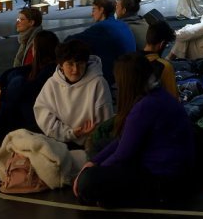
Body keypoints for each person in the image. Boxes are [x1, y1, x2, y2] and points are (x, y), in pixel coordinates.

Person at [74, 53, 194, 208]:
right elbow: (123, 139)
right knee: (100, 147)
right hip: (173, 170)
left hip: (163, 180)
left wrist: (92, 171)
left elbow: (123, 154)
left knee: (88, 181)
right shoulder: (156, 94)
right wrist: (93, 162)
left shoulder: (145, 106)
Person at [34, 38, 115, 147]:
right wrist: (70, 133)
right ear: (61, 65)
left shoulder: (98, 83)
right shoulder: (52, 84)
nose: (75, 70)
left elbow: (105, 122)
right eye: (70, 64)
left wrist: (90, 136)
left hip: (90, 143)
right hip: (59, 140)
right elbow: (43, 114)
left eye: (80, 63)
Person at [0, 29, 59, 138]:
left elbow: (29, 90)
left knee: (18, 84)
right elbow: (11, 72)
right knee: (16, 78)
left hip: (36, 119)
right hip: (26, 114)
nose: (32, 50)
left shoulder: (51, 70)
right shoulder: (38, 66)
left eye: (34, 47)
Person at [68, 0, 137, 85]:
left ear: (101, 10)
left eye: (94, 9)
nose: (92, 14)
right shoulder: (123, 24)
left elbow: (70, 41)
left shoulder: (101, 28)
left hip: (114, 79)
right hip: (129, 73)